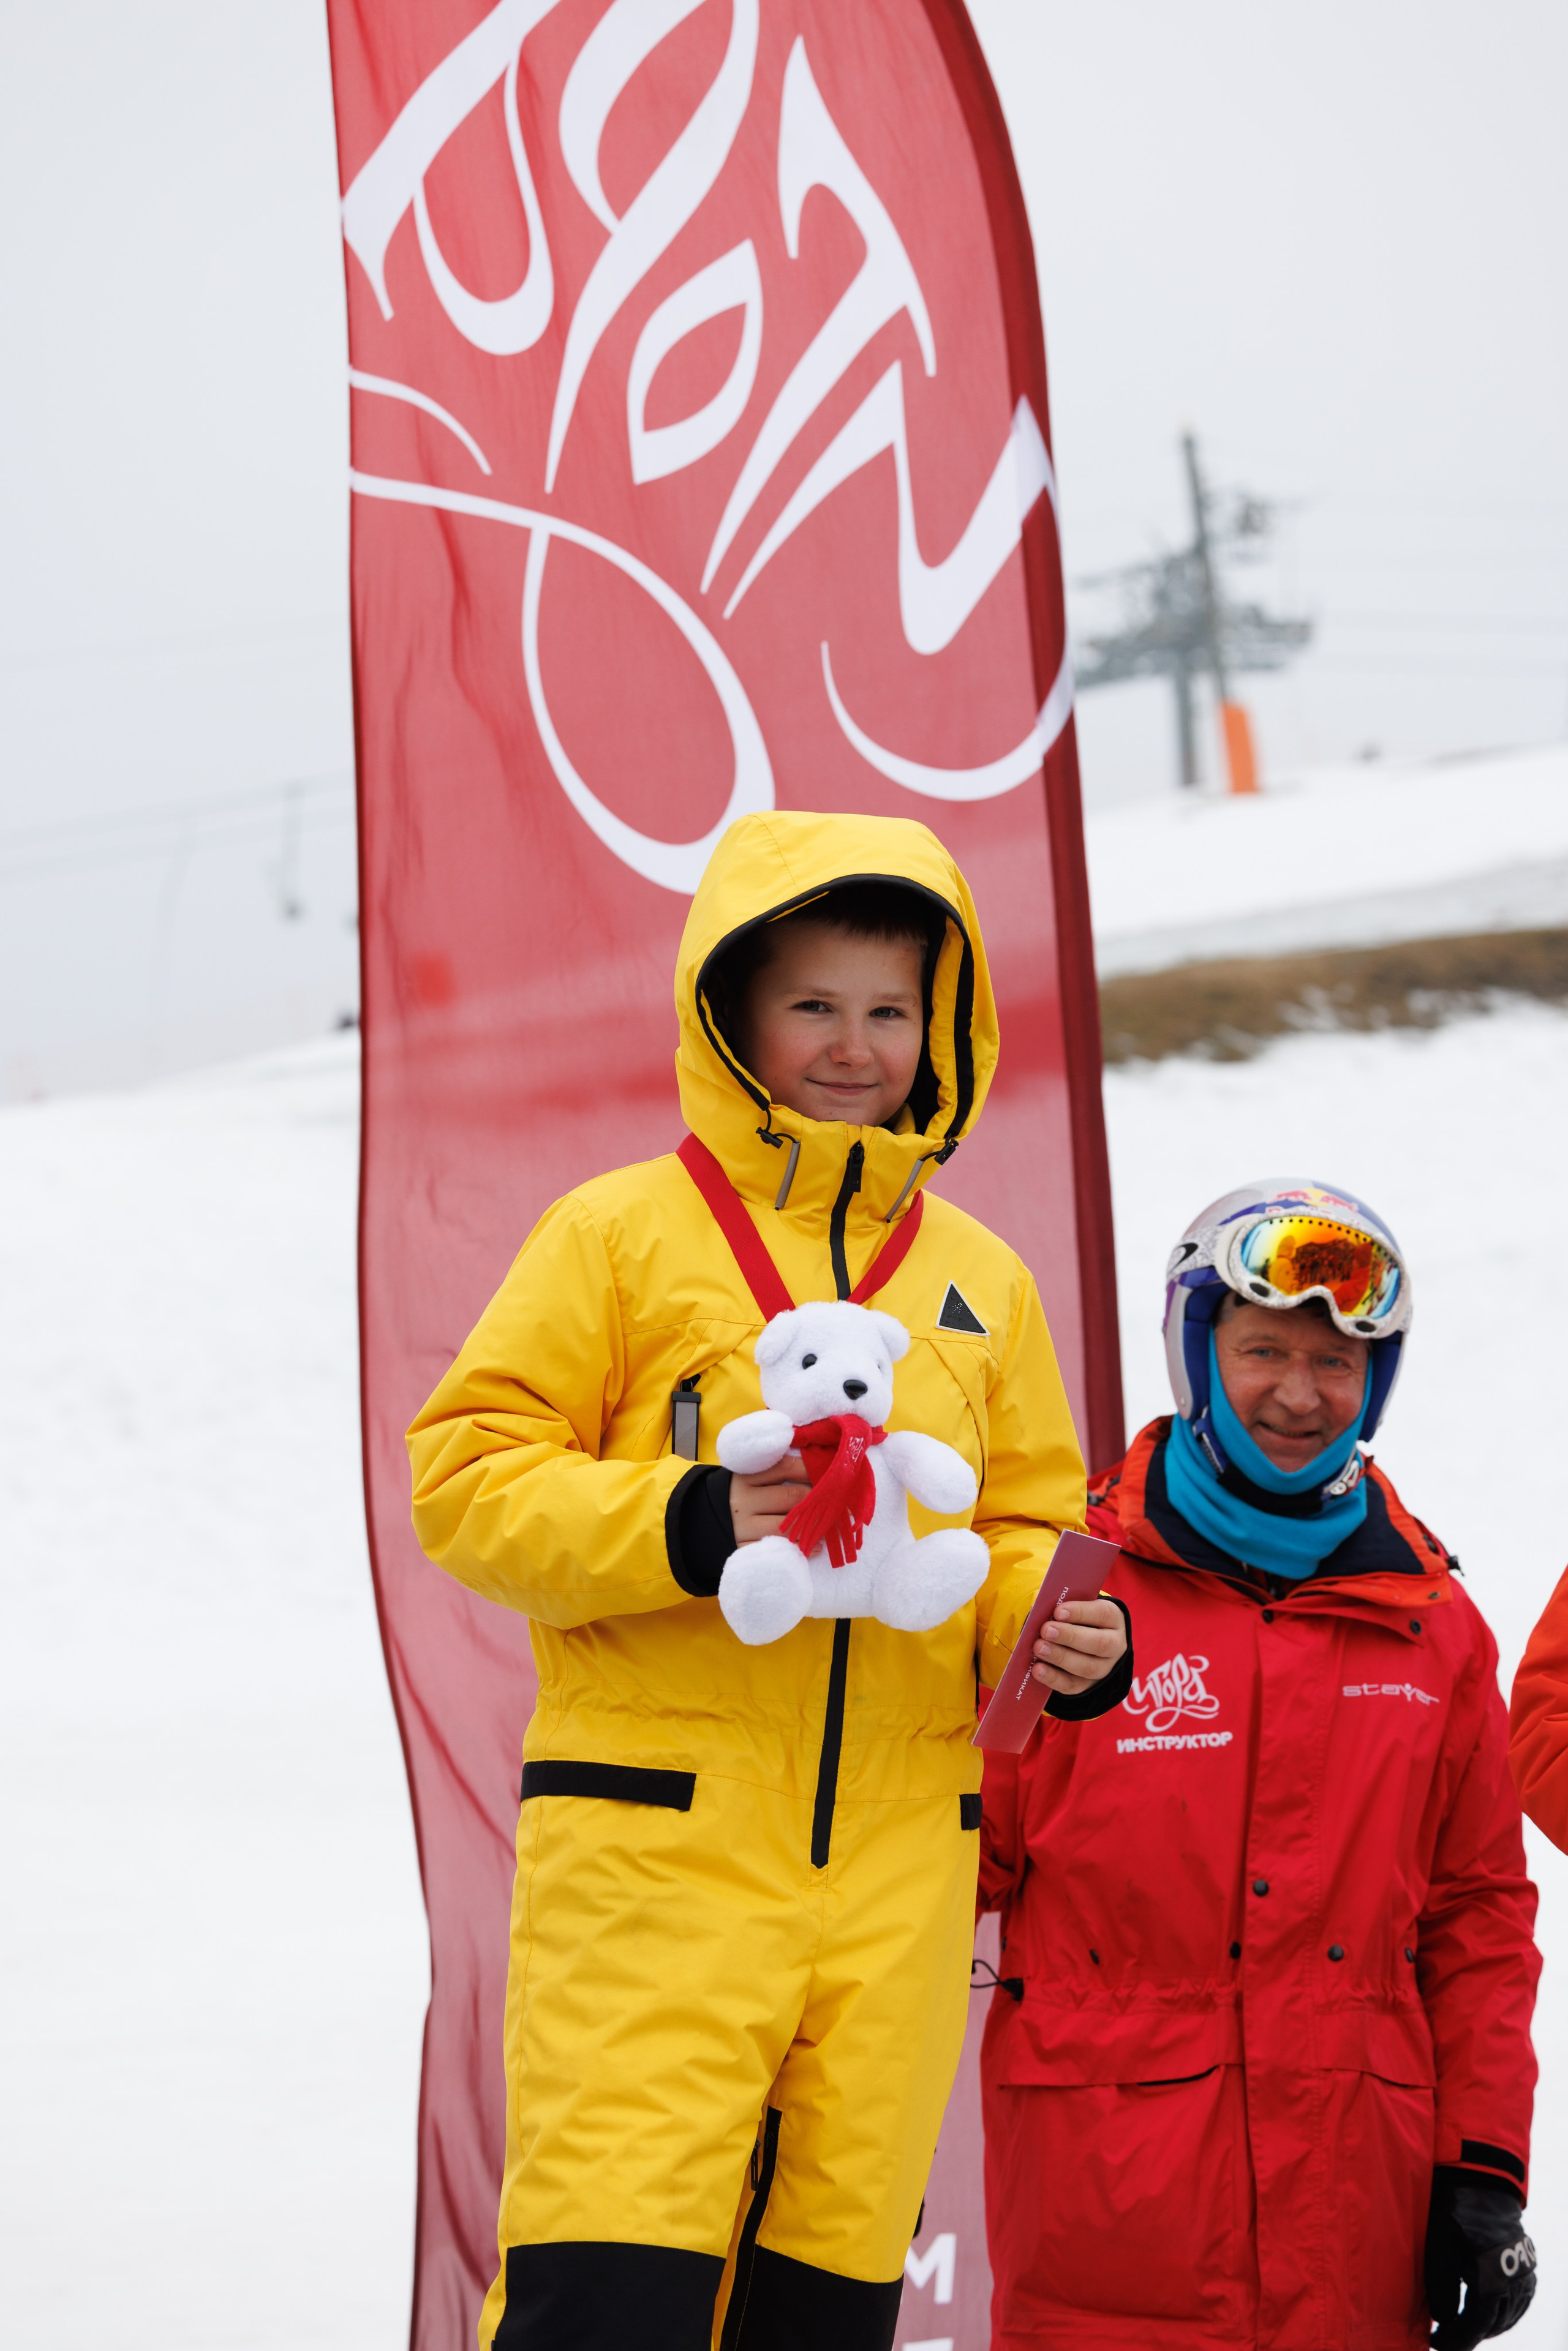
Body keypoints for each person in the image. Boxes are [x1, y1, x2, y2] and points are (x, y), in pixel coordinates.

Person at [406, 811, 1130, 2351]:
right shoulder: (616, 1236)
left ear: (939, 1026)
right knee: (608, 2300)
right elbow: (465, 1479)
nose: (855, 1046)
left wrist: (1049, 1624)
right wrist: (692, 1520)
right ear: (728, 1011)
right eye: (812, 1003)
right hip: (656, 1854)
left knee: (824, 2306)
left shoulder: (981, 1279)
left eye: (890, 1008)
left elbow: (1023, 1516)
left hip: (900, 1871)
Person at [979, 1180, 1540, 2351]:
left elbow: (1479, 1915)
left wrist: (1483, 2170)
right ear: (1196, 1354)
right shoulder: (1068, 1588)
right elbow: (941, 1864)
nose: (1300, 1392)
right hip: (1109, 2235)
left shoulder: (1433, 1624)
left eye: (1339, 1361)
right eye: (1264, 1350)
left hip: (1356, 2234)